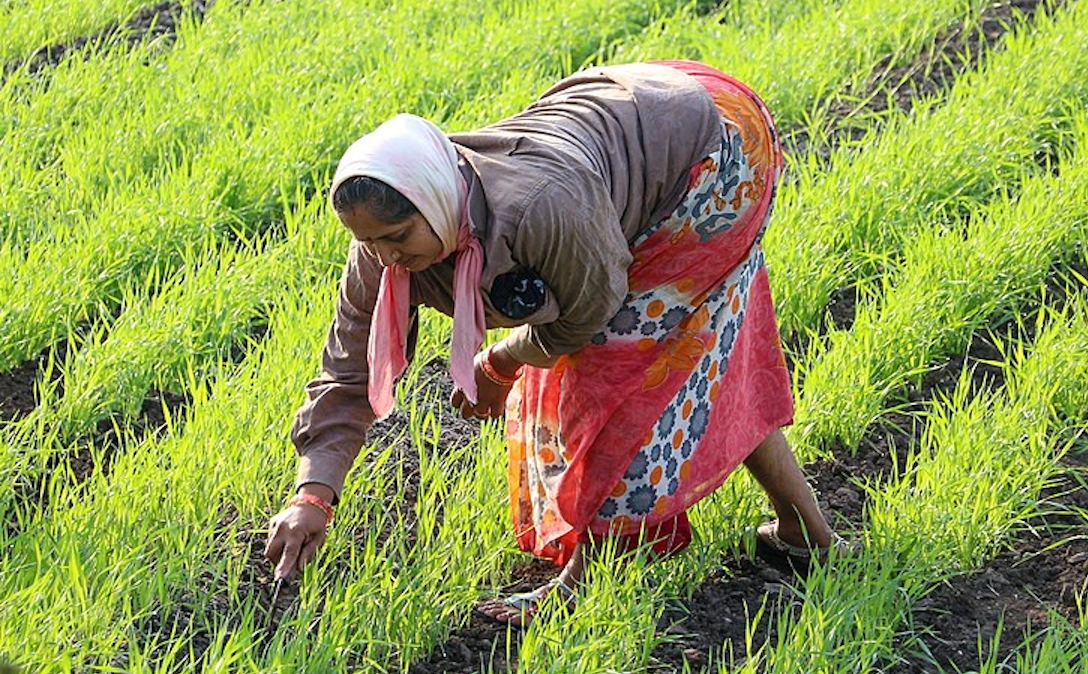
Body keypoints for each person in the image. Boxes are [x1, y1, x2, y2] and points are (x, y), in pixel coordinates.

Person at [264, 60, 851, 625]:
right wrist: (312, 496)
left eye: (398, 237)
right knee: (700, 360)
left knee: (618, 374)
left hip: (713, 154)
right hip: (636, 127)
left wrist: (502, 359)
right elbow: (348, 373)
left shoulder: (539, 207)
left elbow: (588, 316)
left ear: (436, 194)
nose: (388, 257)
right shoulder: (383, 248)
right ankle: (805, 534)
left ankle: (586, 578)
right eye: (371, 242)